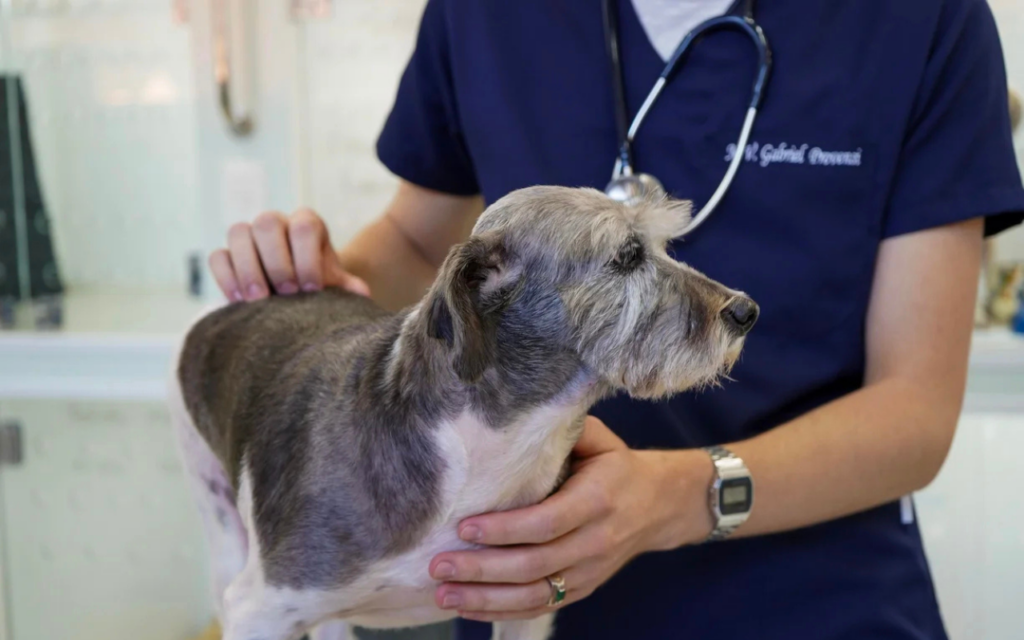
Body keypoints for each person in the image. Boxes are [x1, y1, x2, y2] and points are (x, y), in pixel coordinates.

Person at [207, 1, 1024, 638]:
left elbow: (914, 412)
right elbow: (421, 243)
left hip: (814, 603)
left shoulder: (926, 21)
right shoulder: (483, 13)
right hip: (521, 595)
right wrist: (316, 275)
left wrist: (674, 497)